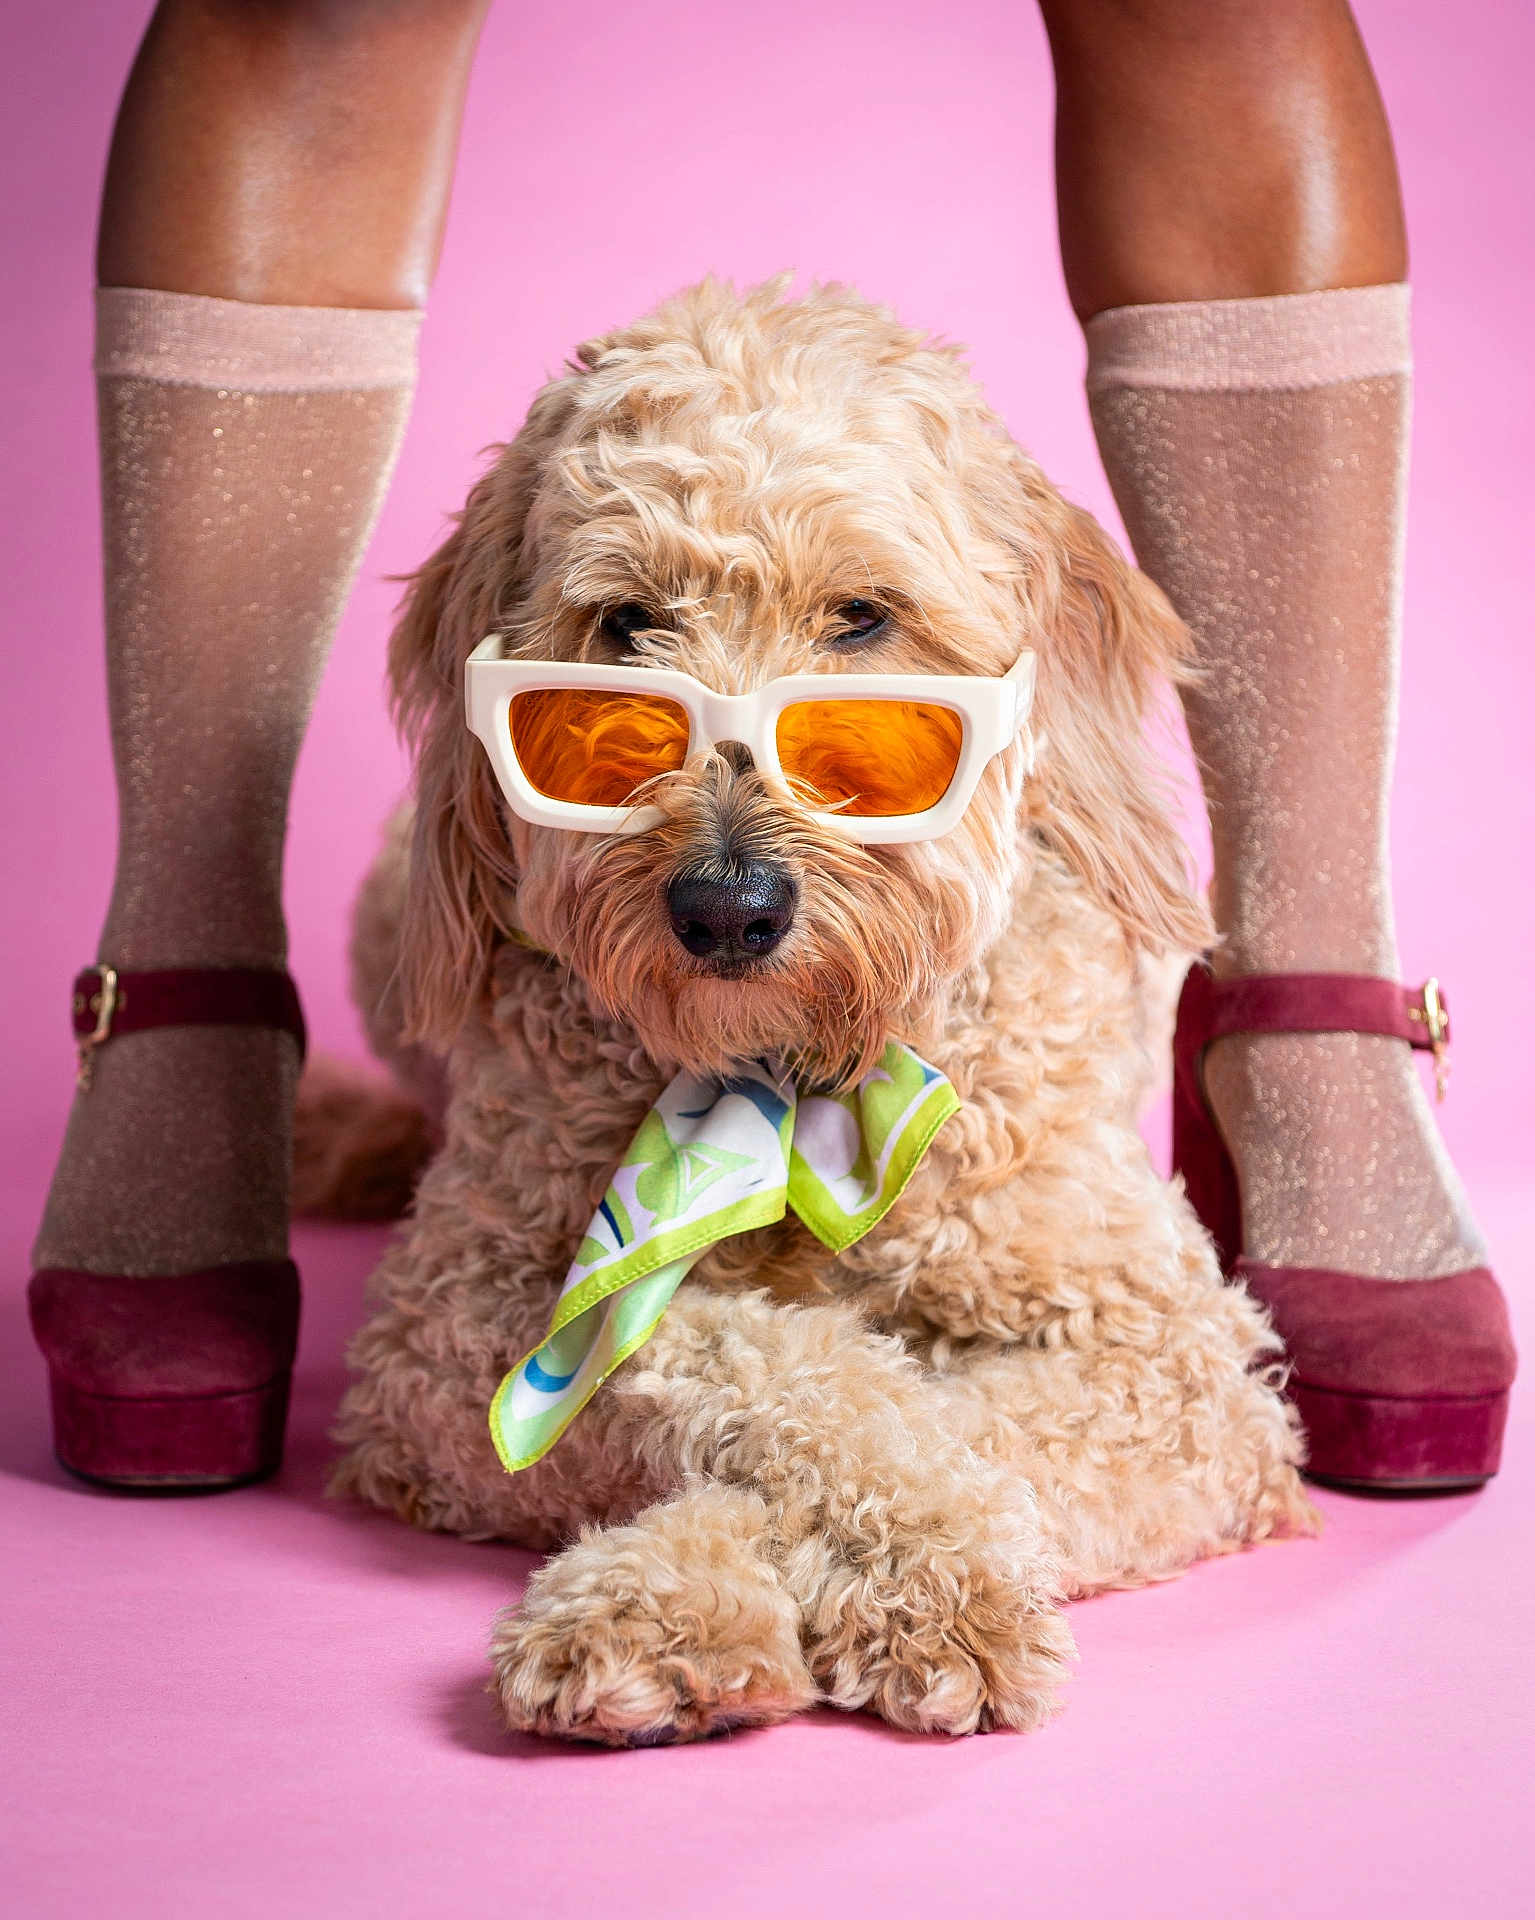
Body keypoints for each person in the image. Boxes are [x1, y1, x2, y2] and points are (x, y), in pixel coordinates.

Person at [28, 0, 1511, 1491]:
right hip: (567, 1062)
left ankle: (1311, 993)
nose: (731, 864)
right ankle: (193, 991)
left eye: (859, 619)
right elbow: (441, 1380)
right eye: (623, 630)